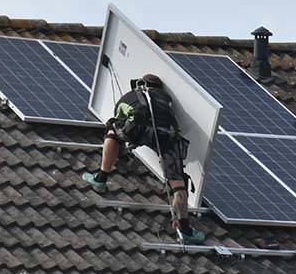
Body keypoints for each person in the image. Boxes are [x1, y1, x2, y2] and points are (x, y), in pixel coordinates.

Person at [82, 73, 206, 244]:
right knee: (177, 182)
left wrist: (123, 147)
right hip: (168, 134)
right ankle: (184, 229)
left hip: (138, 127)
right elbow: (177, 126)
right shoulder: (167, 101)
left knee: (112, 130)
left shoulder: (130, 96)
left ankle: (101, 178)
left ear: (140, 84)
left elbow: (120, 117)